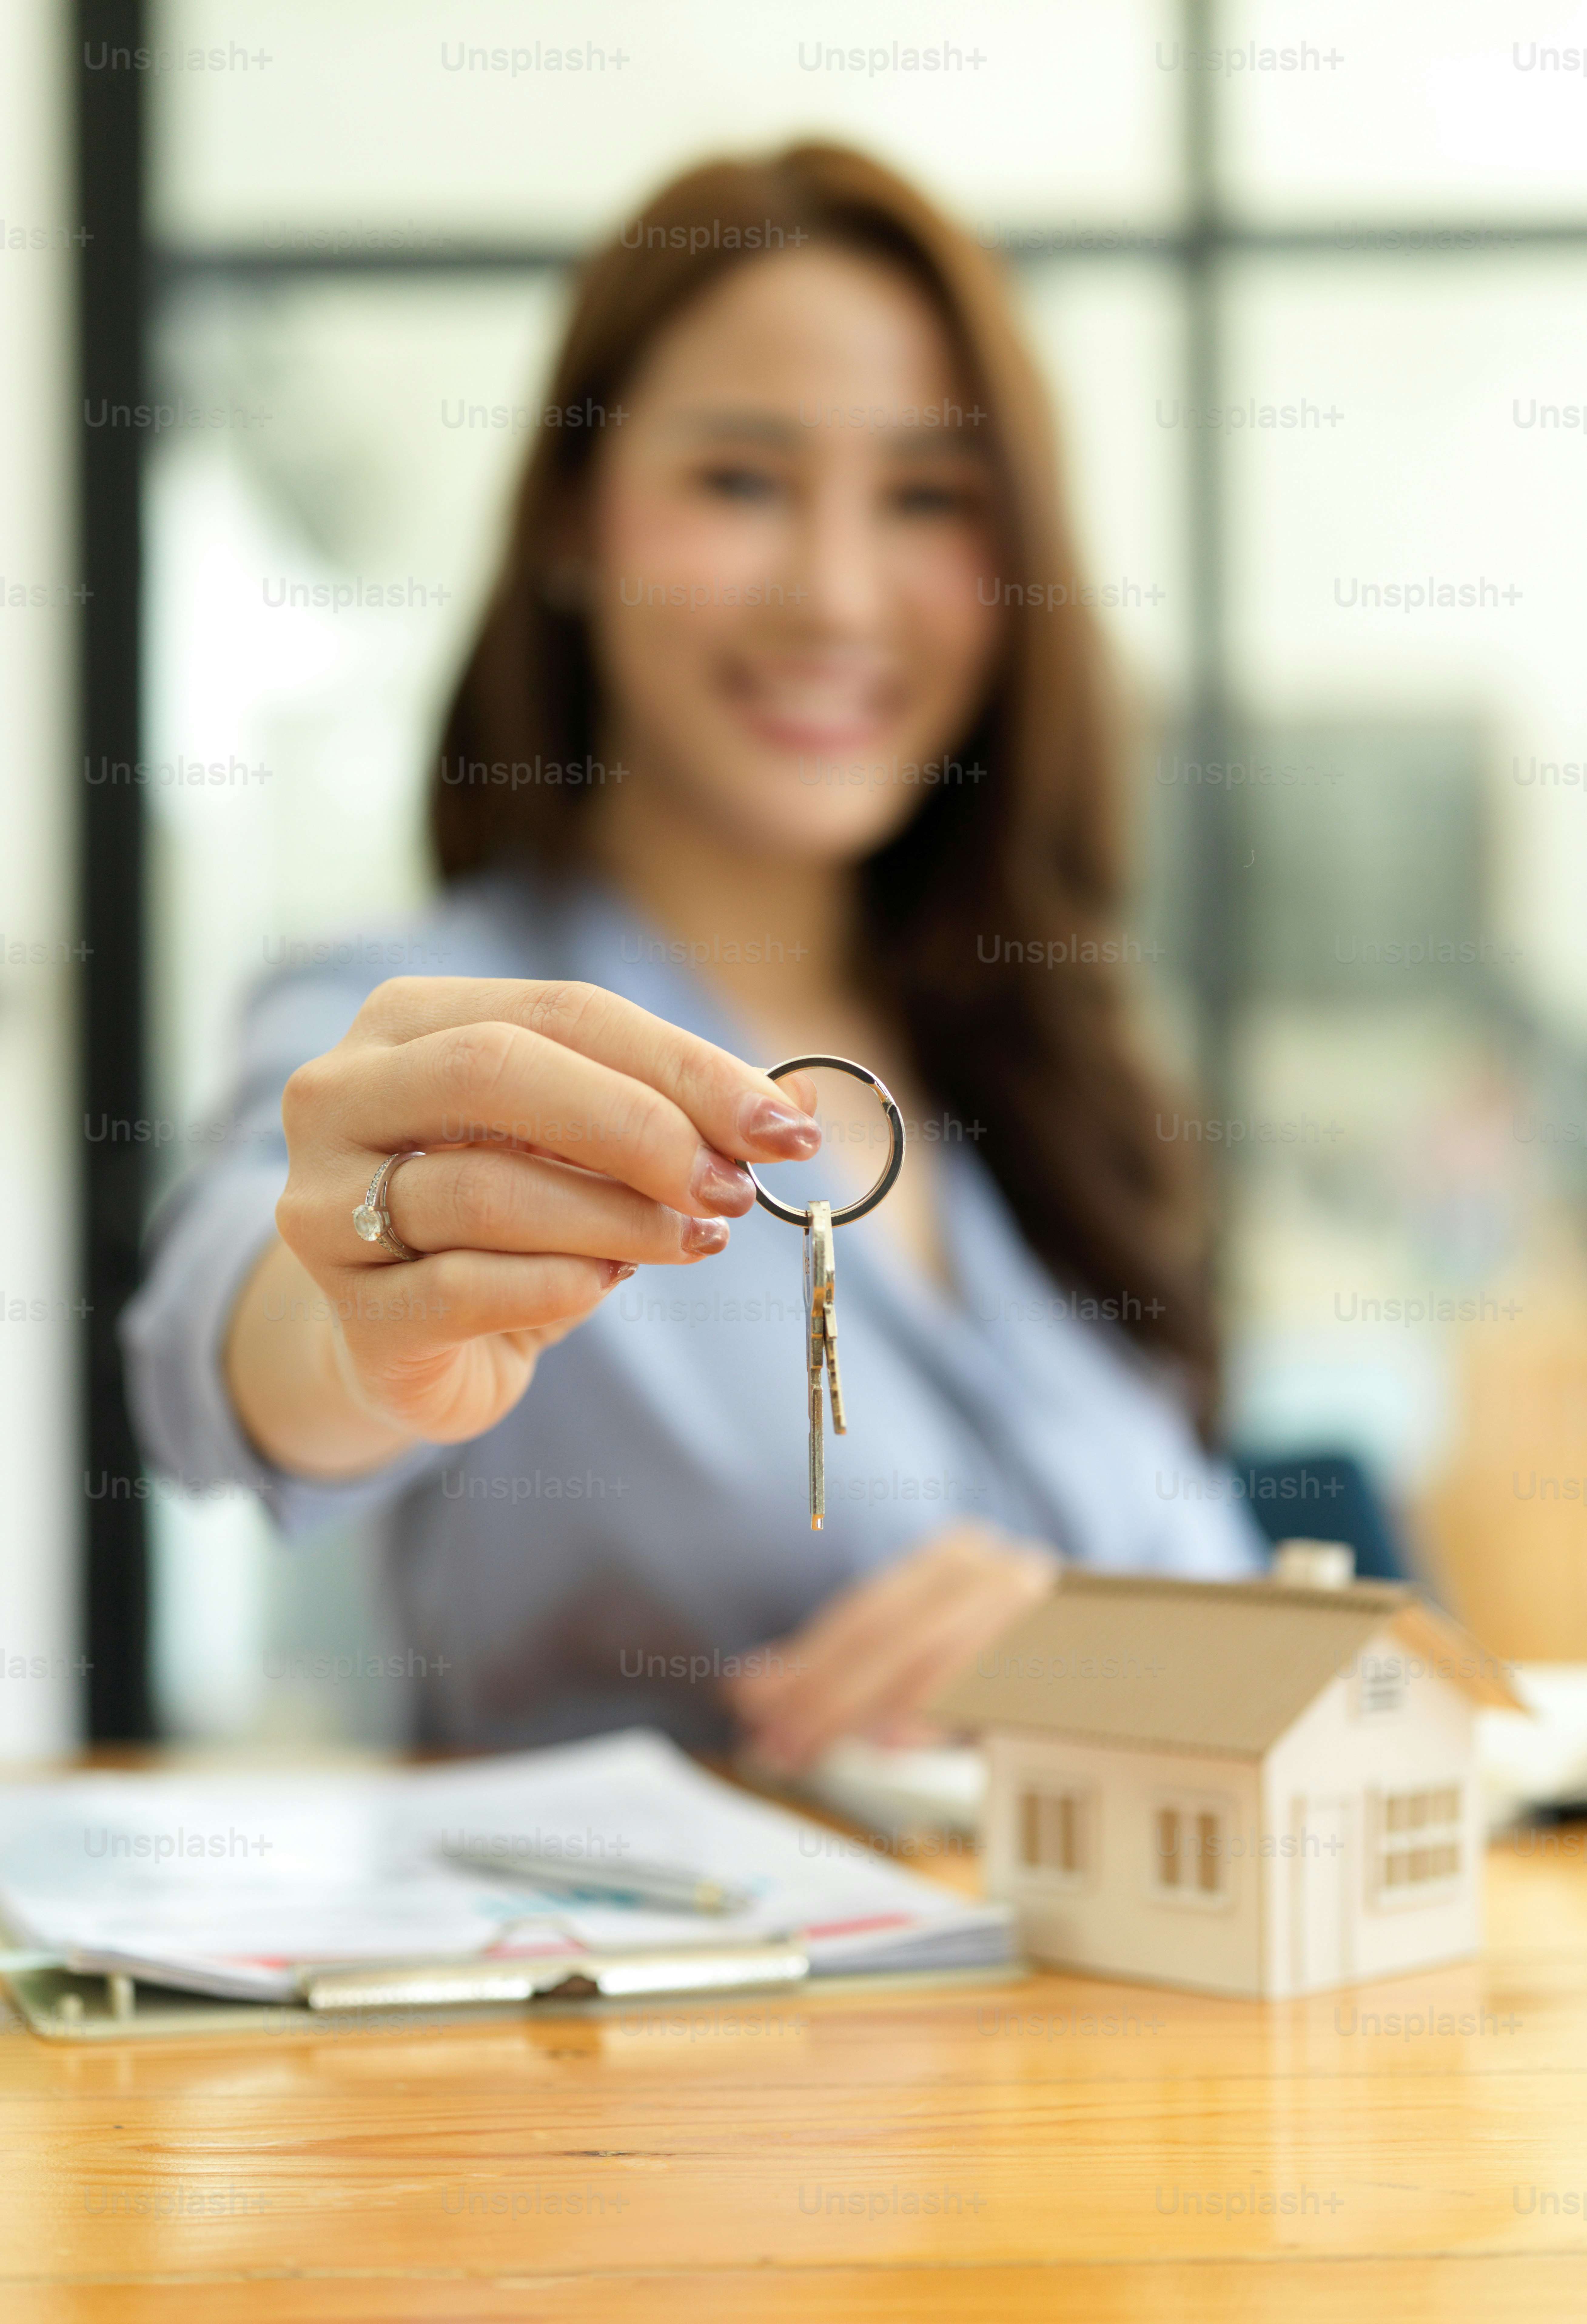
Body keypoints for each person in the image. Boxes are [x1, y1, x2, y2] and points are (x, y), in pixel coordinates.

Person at [124, 143, 1264, 1767]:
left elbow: (1236, 1623)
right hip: (624, 2012)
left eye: (928, 497)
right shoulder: (413, 1027)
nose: (832, 592)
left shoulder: (1044, 1062)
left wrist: (1100, 1668)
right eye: (739, 480)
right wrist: (361, 1319)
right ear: (579, 521)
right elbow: (222, 1348)